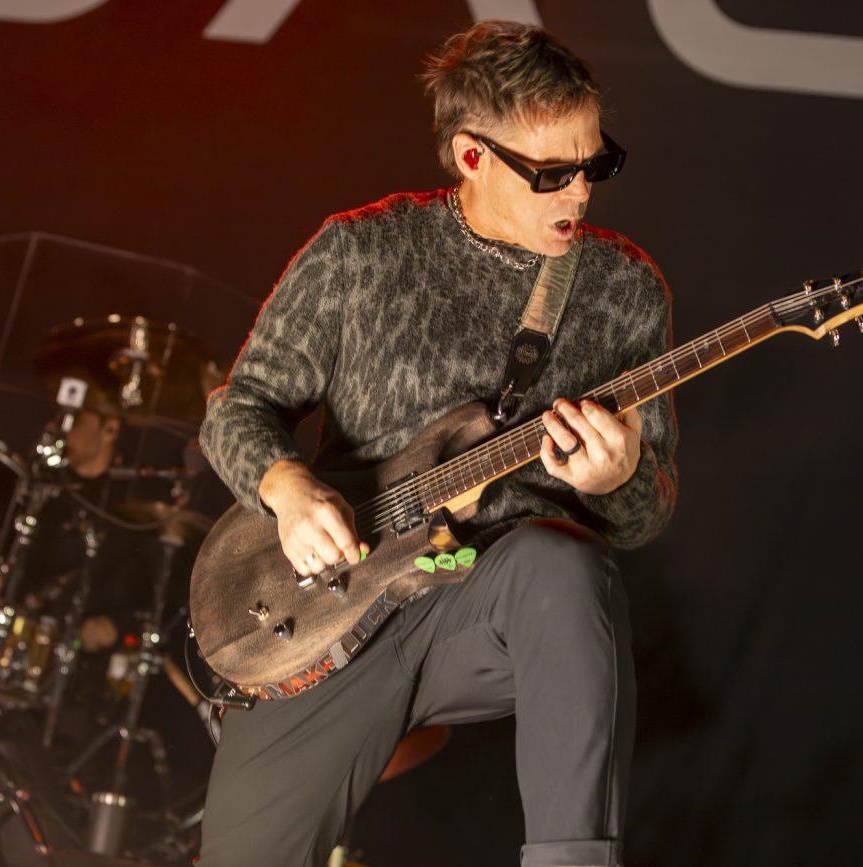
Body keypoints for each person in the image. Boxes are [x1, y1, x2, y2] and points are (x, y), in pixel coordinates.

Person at [196, 21, 677, 867]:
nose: (579, 193)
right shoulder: (361, 250)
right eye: (552, 173)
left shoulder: (625, 291)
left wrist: (622, 477)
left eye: (595, 165)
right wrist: (288, 488)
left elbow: (644, 515)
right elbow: (236, 410)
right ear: (471, 156)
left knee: (564, 564)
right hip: (329, 611)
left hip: (481, 602)